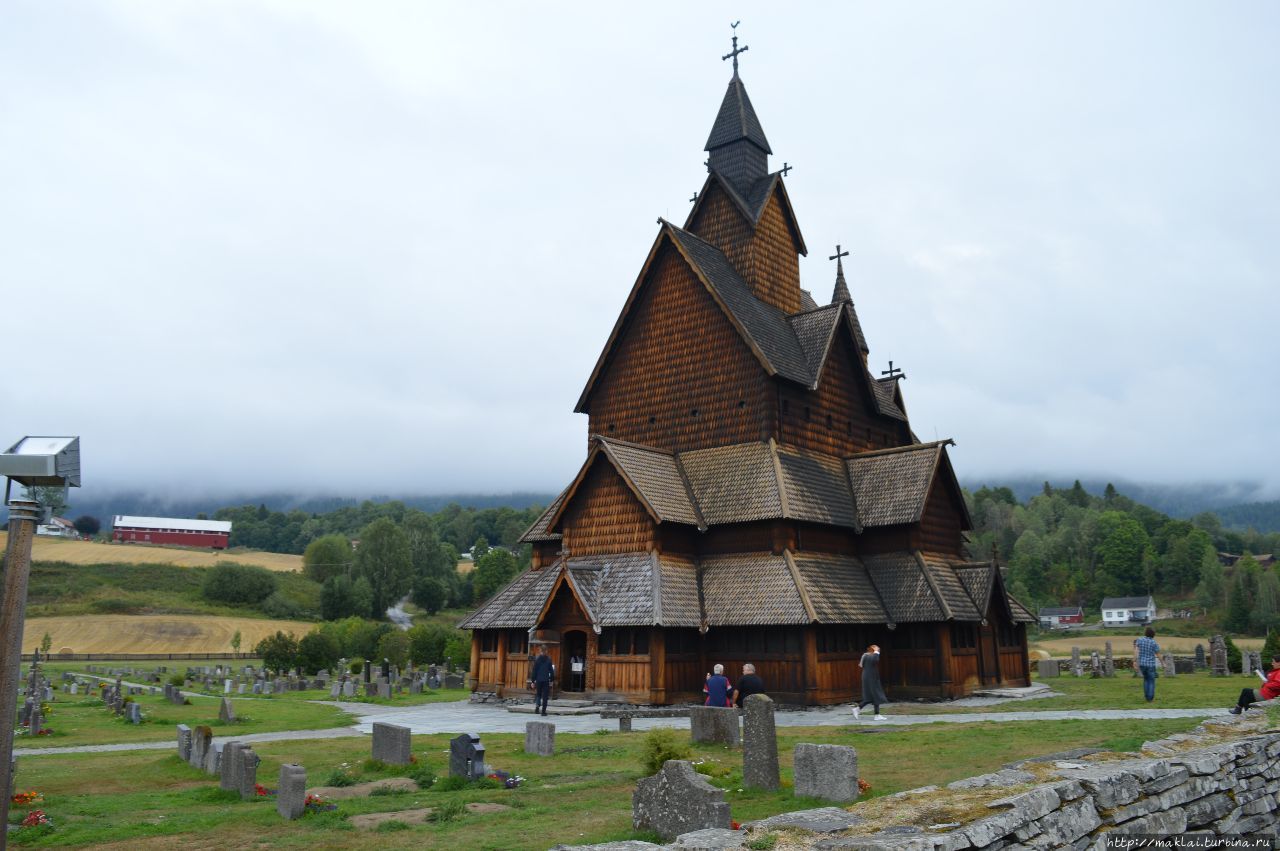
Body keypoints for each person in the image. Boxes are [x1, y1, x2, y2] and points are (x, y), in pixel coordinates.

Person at [852, 644, 888, 721]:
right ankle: (858, 709)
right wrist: (876, 651)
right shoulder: (871, 656)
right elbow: (875, 660)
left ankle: (876, 714)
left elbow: (861, 665)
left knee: (874, 696)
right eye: (877, 649)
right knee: (874, 695)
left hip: (868, 676)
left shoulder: (865, 655)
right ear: (873, 649)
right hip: (871, 677)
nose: (879, 650)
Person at [1134, 627, 1160, 702]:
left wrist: (1134, 661)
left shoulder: (1139, 640)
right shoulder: (1154, 643)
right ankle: (1150, 698)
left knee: (1146, 680)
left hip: (1142, 664)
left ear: (1145, 633)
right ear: (1153, 635)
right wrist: (1163, 663)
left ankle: (1146, 697)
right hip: (1151, 664)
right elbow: (1158, 654)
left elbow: (1136, 651)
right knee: (1151, 681)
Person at [527, 644, 554, 716]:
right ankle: (543, 712)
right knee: (545, 696)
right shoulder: (549, 659)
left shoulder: (537, 659)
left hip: (539, 679)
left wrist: (533, 681)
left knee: (538, 694)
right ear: (546, 651)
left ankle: (537, 706)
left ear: (540, 651)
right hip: (545, 679)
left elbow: (534, 671)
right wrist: (551, 680)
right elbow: (551, 671)